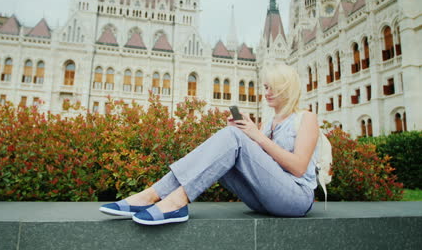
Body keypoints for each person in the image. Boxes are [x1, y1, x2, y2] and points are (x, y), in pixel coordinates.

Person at [99, 63, 319, 225]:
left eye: (272, 87)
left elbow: (299, 168)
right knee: (228, 139)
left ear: (286, 88)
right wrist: (250, 133)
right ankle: (153, 194)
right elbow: (263, 165)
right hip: (266, 199)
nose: (266, 93)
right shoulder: (269, 122)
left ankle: (174, 201)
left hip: (296, 199)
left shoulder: (306, 118)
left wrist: (256, 137)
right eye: (265, 87)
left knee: (232, 138)